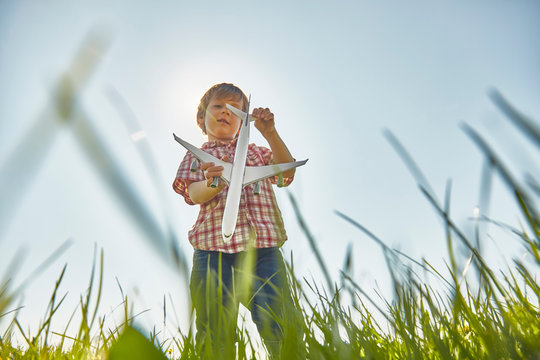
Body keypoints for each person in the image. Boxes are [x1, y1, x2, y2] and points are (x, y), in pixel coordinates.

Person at [172, 83, 300, 358]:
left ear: (244, 123)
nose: (226, 113)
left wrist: (270, 133)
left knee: (278, 319)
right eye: (218, 106)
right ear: (201, 117)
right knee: (214, 326)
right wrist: (213, 184)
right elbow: (192, 193)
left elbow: (285, 173)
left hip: (262, 250)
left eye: (236, 110)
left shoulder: (256, 154)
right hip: (211, 251)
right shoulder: (197, 154)